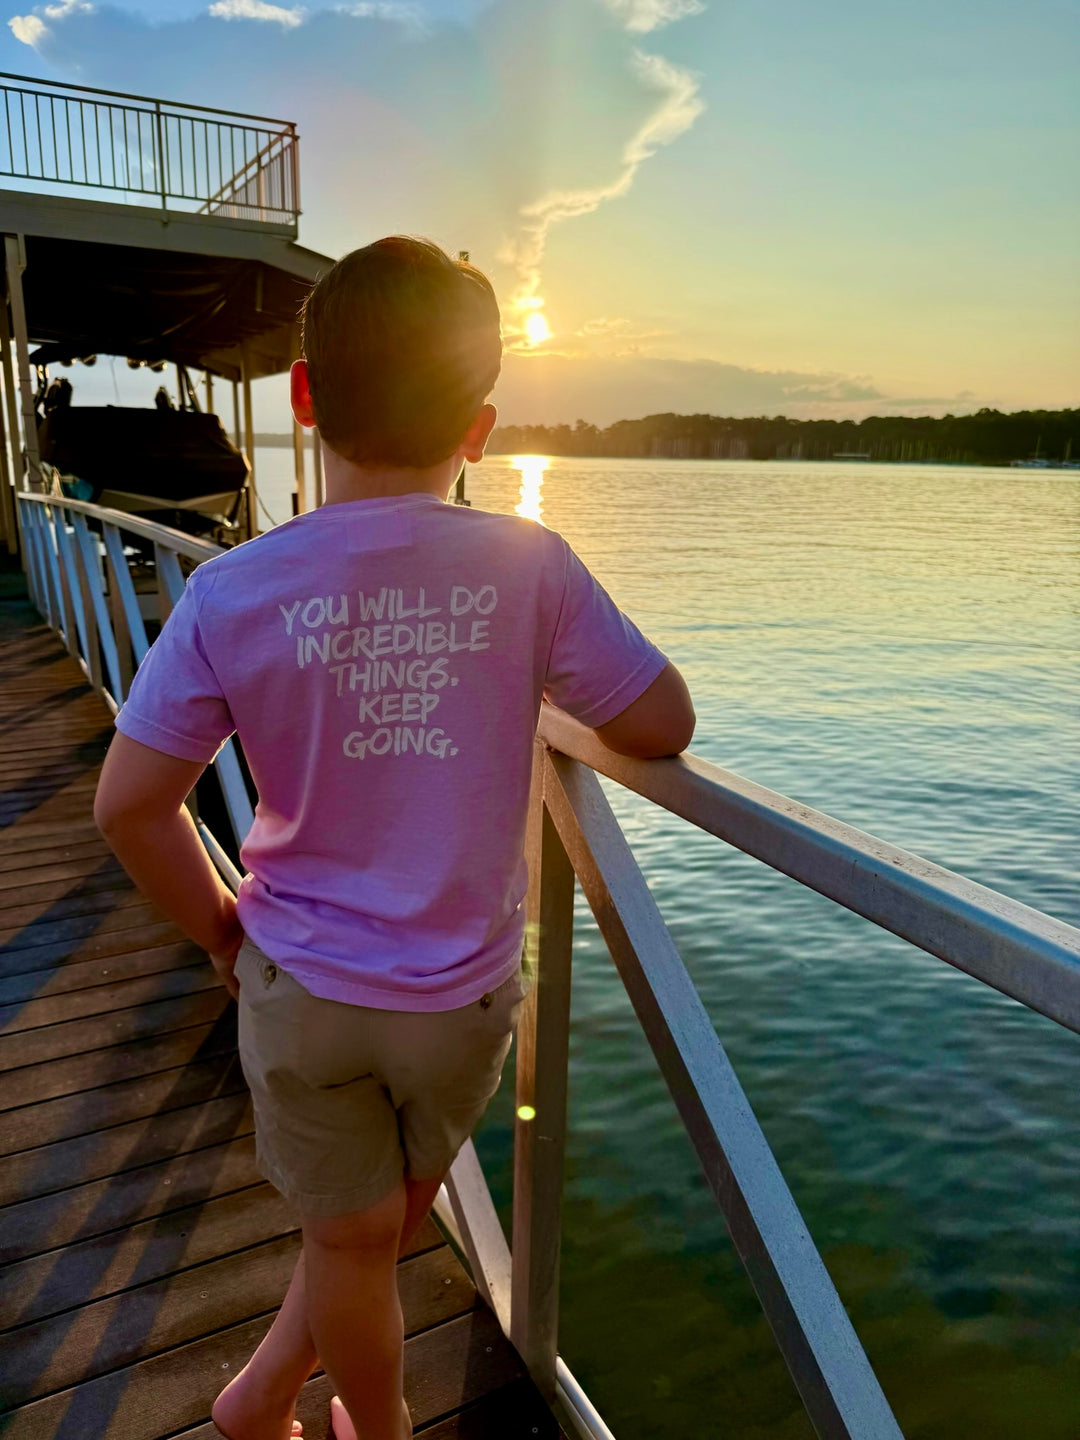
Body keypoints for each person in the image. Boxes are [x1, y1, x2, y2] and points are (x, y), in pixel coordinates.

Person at [93, 236, 695, 1440]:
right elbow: (663, 719)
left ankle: (346, 1421)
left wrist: (223, 933)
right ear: (478, 428)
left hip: (301, 983)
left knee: (351, 1235)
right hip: (457, 998)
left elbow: (129, 807)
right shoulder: (531, 566)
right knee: (378, 1225)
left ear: (303, 396)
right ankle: (273, 1401)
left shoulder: (232, 590)